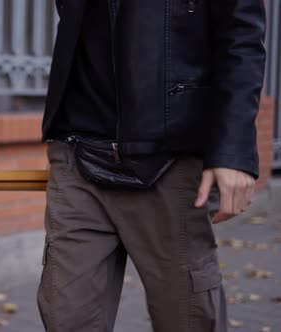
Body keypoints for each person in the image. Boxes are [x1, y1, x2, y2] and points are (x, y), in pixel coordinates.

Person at [37, 0, 266, 331]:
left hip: (170, 157)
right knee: (66, 317)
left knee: (187, 319)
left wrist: (233, 150)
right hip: (78, 153)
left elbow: (241, 40)